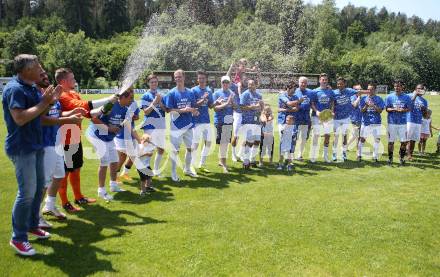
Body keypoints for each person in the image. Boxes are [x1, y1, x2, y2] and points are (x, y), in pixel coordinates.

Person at [3, 54, 61, 256]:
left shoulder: (30, 88)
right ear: (26, 70)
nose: (41, 69)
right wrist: (45, 102)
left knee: (38, 189)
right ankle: (18, 238)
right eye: (37, 66)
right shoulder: (15, 89)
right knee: (26, 193)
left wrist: (50, 103)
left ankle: (32, 225)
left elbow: (39, 118)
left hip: (35, 145)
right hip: (22, 147)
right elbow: (19, 118)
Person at [57, 68, 116, 211]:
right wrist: (108, 98)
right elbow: (82, 106)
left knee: (76, 169)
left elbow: (89, 113)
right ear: (63, 81)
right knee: (64, 172)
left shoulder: (73, 94)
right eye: (72, 78)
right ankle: (65, 202)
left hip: (76, 137)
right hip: (65, 139)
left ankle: (78, 197)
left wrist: (108, 105)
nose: (74, 80)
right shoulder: (62, 95)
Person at [37, 70, 83, 226]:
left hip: (56, 142)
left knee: (59, 174)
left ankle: (49, 206)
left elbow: (58, 113)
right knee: (44, 181)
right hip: (45, 143)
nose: (45, 78)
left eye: (46, 76)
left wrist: (69, 113)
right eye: (41, 76)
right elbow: (42, 119)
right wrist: (67, 119)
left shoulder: (52, 96)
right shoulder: (41, 97)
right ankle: (35, 217)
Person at [87, 88, 134, 201]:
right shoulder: (111, 105)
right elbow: (94, 119)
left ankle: (113, 185)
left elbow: (123, 123)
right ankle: (101, 191)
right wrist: (110, 129)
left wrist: (120, 126)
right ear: (122, 98)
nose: (132, 100)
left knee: (114, 160)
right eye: (130, 98)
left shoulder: (125, 109)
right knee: (104, 161)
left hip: (108, 137)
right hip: (97, 135)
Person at [165, 69, 199, 181]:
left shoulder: (190, 93)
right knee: (175, 150)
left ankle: (187, 169)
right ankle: (173, 173)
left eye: (179, 77)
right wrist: (184, 110)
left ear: (184, 77)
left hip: (189, 125)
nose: (178, 79)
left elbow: (193, 107)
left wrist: (194, 111)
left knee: (190, 149)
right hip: (176, 127)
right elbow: (169, 110)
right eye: (176, 77)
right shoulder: (171, 93)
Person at [140, 74, 167, 177]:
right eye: (152, 82)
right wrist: (155, 102)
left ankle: (156, 170)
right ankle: (146, 172)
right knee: (148, 150)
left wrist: (160, 103)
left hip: (161, 125)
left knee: (161, 149)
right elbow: (146, 112)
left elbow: (166, 110)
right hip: (150, 126)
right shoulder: (146, 96)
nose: (154, 84)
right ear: (148, 83)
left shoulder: (162, 94)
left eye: (155, 82)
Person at [332, 77, 360, 162]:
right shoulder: (334, 92)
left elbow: (359, 92)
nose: (339, 85)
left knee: (344, 136)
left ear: (344, 84)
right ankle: (334, 154)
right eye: (338, 84)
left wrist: (369, 91)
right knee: (336, 136)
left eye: (341, 83)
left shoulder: (349, 91)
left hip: (346, 118)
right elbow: (332, 103)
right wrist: (332, 112)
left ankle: (344, 153)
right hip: (336, 118)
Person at [191, 70, 214, 172]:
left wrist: (216, 102)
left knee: (208, 143)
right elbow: (193, 105)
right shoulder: (193, 90)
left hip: (206, 120)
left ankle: (202, 163)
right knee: (195, 144)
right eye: (199, 78)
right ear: (197, 79)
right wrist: (203, 99)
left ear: (206, 79)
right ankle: (192, 164)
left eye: (203, 78)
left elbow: (210, 105)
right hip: (196, 121)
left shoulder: (209, 91)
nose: (201, 80)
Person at [385, 80, 412, 165]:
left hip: (402, 123)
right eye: (396, 86)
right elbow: (387, 109)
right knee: (391, 142)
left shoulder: (407, 97)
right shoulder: (389, 97)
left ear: (402, 87)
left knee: (403, 142)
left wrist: (403, 110)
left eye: (399, 86)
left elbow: (409, 108)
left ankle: (401, 158)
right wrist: (394, 109)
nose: (397, 88)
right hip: (392, 122)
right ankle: (390, 159)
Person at [358, 83, 385, 162]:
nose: (369, 91)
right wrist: (366, 106)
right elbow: (361, 110)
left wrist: (373, 105)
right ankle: (359, 155)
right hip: (365, 123)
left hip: (376, 123)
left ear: (375, 90)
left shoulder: (379, 99)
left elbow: (380, 111)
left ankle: (375, 157)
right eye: (368, 89)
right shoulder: (363, 99)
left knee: (376, 140)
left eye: (371, 89)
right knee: (362, 139)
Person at [310, 73, 335, 163]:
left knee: (327, 136)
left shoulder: (330, 92)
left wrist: (332, 111)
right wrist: (316, 111)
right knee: (316, 136)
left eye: (326, 80)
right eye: (322, 80)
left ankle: (325, 156)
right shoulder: (314, 91)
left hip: (327, 117)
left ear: (327, 81)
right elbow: (311, 103)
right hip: (317, 117)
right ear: (319, 81)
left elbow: (332, 102)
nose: (324, 81)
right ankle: (313, 156)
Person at [212, 76, 235, 172]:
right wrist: (226, 103)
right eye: (223, 82)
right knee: (223, 143)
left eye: (227, 82)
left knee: (224, 143)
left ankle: (222, 162)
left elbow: (235, 107)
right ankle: (223, 163)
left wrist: (233, 103)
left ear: (229, 83)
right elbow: (215, 108)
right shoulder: (217, 93)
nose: (225, 84)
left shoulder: (232, 93)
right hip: (220, 120)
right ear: (221, 83)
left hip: (229, 121)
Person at [240, 79, 263, 169]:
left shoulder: (259, 95)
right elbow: (241, 107)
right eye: (249, 84)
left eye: (252, 84)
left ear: (255, 85)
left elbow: (261, 107)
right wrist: (253, 107)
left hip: (257, 122)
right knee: (249, 142)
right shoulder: (245, 94)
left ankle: (252, 159)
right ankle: (246, 162)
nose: (250, 86)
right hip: (248, 121)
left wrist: (261, 110)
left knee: (257, 141)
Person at [115, 100, 140, 182]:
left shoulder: (134, 103)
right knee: (122, 157)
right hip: (121, 134)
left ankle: (125, 173)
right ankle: (115, 176)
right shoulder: (117, 103)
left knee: (133, 156)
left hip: (131, 134)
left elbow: (137, 116)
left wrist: (134, 117)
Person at [278, 81, 300, 165]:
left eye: (295, 89)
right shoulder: (282, 95)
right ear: (288, 88)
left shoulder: (295, 96)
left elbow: (297, 108)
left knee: (291, 140)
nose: (294, 91)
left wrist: (290, 108)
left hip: (292, 122)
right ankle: (281, 160)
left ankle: (288, 159)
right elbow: (289, 104)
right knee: (283, 140)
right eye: (293, 89)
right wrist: (292, 107)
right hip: (282, 121)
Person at [406, 84, 428, 160]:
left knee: (414, 140)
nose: (420, 90)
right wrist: (415, 95)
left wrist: (424, 110)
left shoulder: (424, 101)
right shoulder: (409, 95)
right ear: (415, 89)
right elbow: (408, 105)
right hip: (409, 120)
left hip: (418, 122)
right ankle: (407, 154)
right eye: (418, 88)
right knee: (407, 139)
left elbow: (425, 115)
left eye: (421, 89)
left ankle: (410, 154)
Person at [294, 77, 313, 160]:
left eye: (305, 82)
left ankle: (300, 155)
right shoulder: (294, 91)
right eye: (302, 82)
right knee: (294, 137)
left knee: (304, 138)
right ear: (298, 83)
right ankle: (292, 153)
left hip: (306, 118)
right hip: (296, 118)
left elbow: (312, 103)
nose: (303, 84)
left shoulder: (310, 92)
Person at [347, 85, 363, 152]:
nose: (360, 90)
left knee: (355, 135)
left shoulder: (362, 97)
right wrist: (359, 97)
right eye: (358, 89)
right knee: (357, 135)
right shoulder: (352, 97)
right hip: (355, 119)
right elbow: (354, 105)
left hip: (361, 118)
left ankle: (345, 146)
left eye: (361, 89)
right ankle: (358, 150)